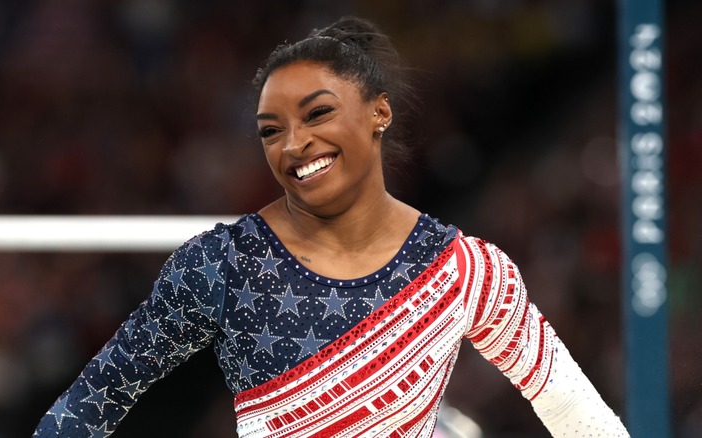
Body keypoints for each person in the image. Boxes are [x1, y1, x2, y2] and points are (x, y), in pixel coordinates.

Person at [35, 16, 629, 437]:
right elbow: (91, 402)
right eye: (271, 129)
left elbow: (575, 413)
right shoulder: (221, 264)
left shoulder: (465, 271)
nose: (295, 143)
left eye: (318, 113)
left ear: (379, 113)